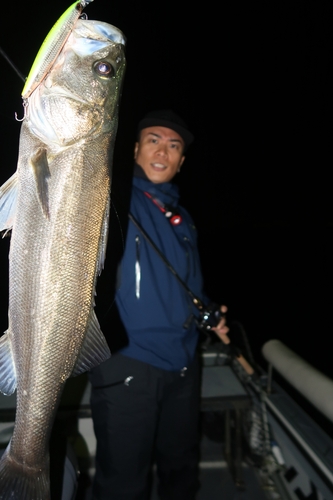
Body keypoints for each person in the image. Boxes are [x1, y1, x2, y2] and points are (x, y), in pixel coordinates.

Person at [89, 110, 229, 500]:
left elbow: (184, 283)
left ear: (182, 160)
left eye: (173, 145)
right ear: (135, 149)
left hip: (183, 363)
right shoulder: (112, 198)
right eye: (153, 140)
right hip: (129, 360)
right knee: (123, 481)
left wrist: (210, 312)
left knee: (181, 467)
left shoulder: (183, 218)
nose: (163, 151)